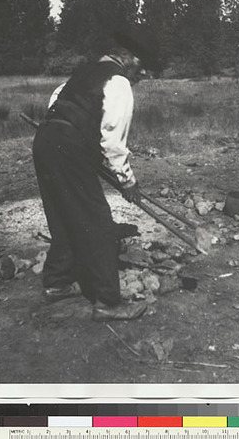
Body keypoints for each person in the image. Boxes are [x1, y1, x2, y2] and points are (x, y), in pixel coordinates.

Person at [33, 26, 160, 322]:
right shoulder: (118, 83)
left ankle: (57, 283)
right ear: (128, 58)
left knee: (63, 214)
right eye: (142, 66)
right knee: (98, 222)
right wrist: (128, 182)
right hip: (68, 148)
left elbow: (56, 105)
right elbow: (113, 143)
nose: (142, 74)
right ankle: (108, 302)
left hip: (45, 141)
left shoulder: (83, 73)